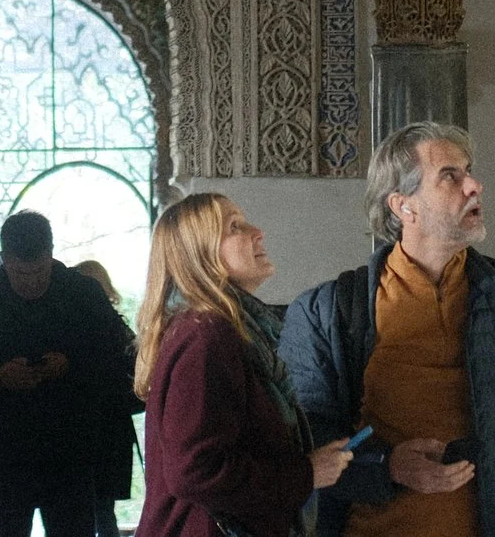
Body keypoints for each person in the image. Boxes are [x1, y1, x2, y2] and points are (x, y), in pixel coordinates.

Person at [279, 124, 495, 537]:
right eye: (450, 176)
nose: (474, 185)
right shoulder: (329, 310)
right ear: (403, 206)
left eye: (468, 171)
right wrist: (387, 466)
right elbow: (307, 441)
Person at [133, 193, 352, 537]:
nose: (258, 232)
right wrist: (306, 473)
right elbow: (195, 471)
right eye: (235, 227)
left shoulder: (222, 329)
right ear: (201, 254)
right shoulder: (206, 335)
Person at [0, 211, 129, 537]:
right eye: (20, 273)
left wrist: (70, 365)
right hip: (4, 462)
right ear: (4, 260)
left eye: (40, 272)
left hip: (71, 458)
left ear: (51, 254)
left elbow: (116, 363)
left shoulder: (84, 297)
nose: (31, 283)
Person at [69, 260, 141, 537]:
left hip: (80, 432)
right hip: (113, 430)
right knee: (103, 509)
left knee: (82, 509)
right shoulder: (117, 328)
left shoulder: (71, 329)